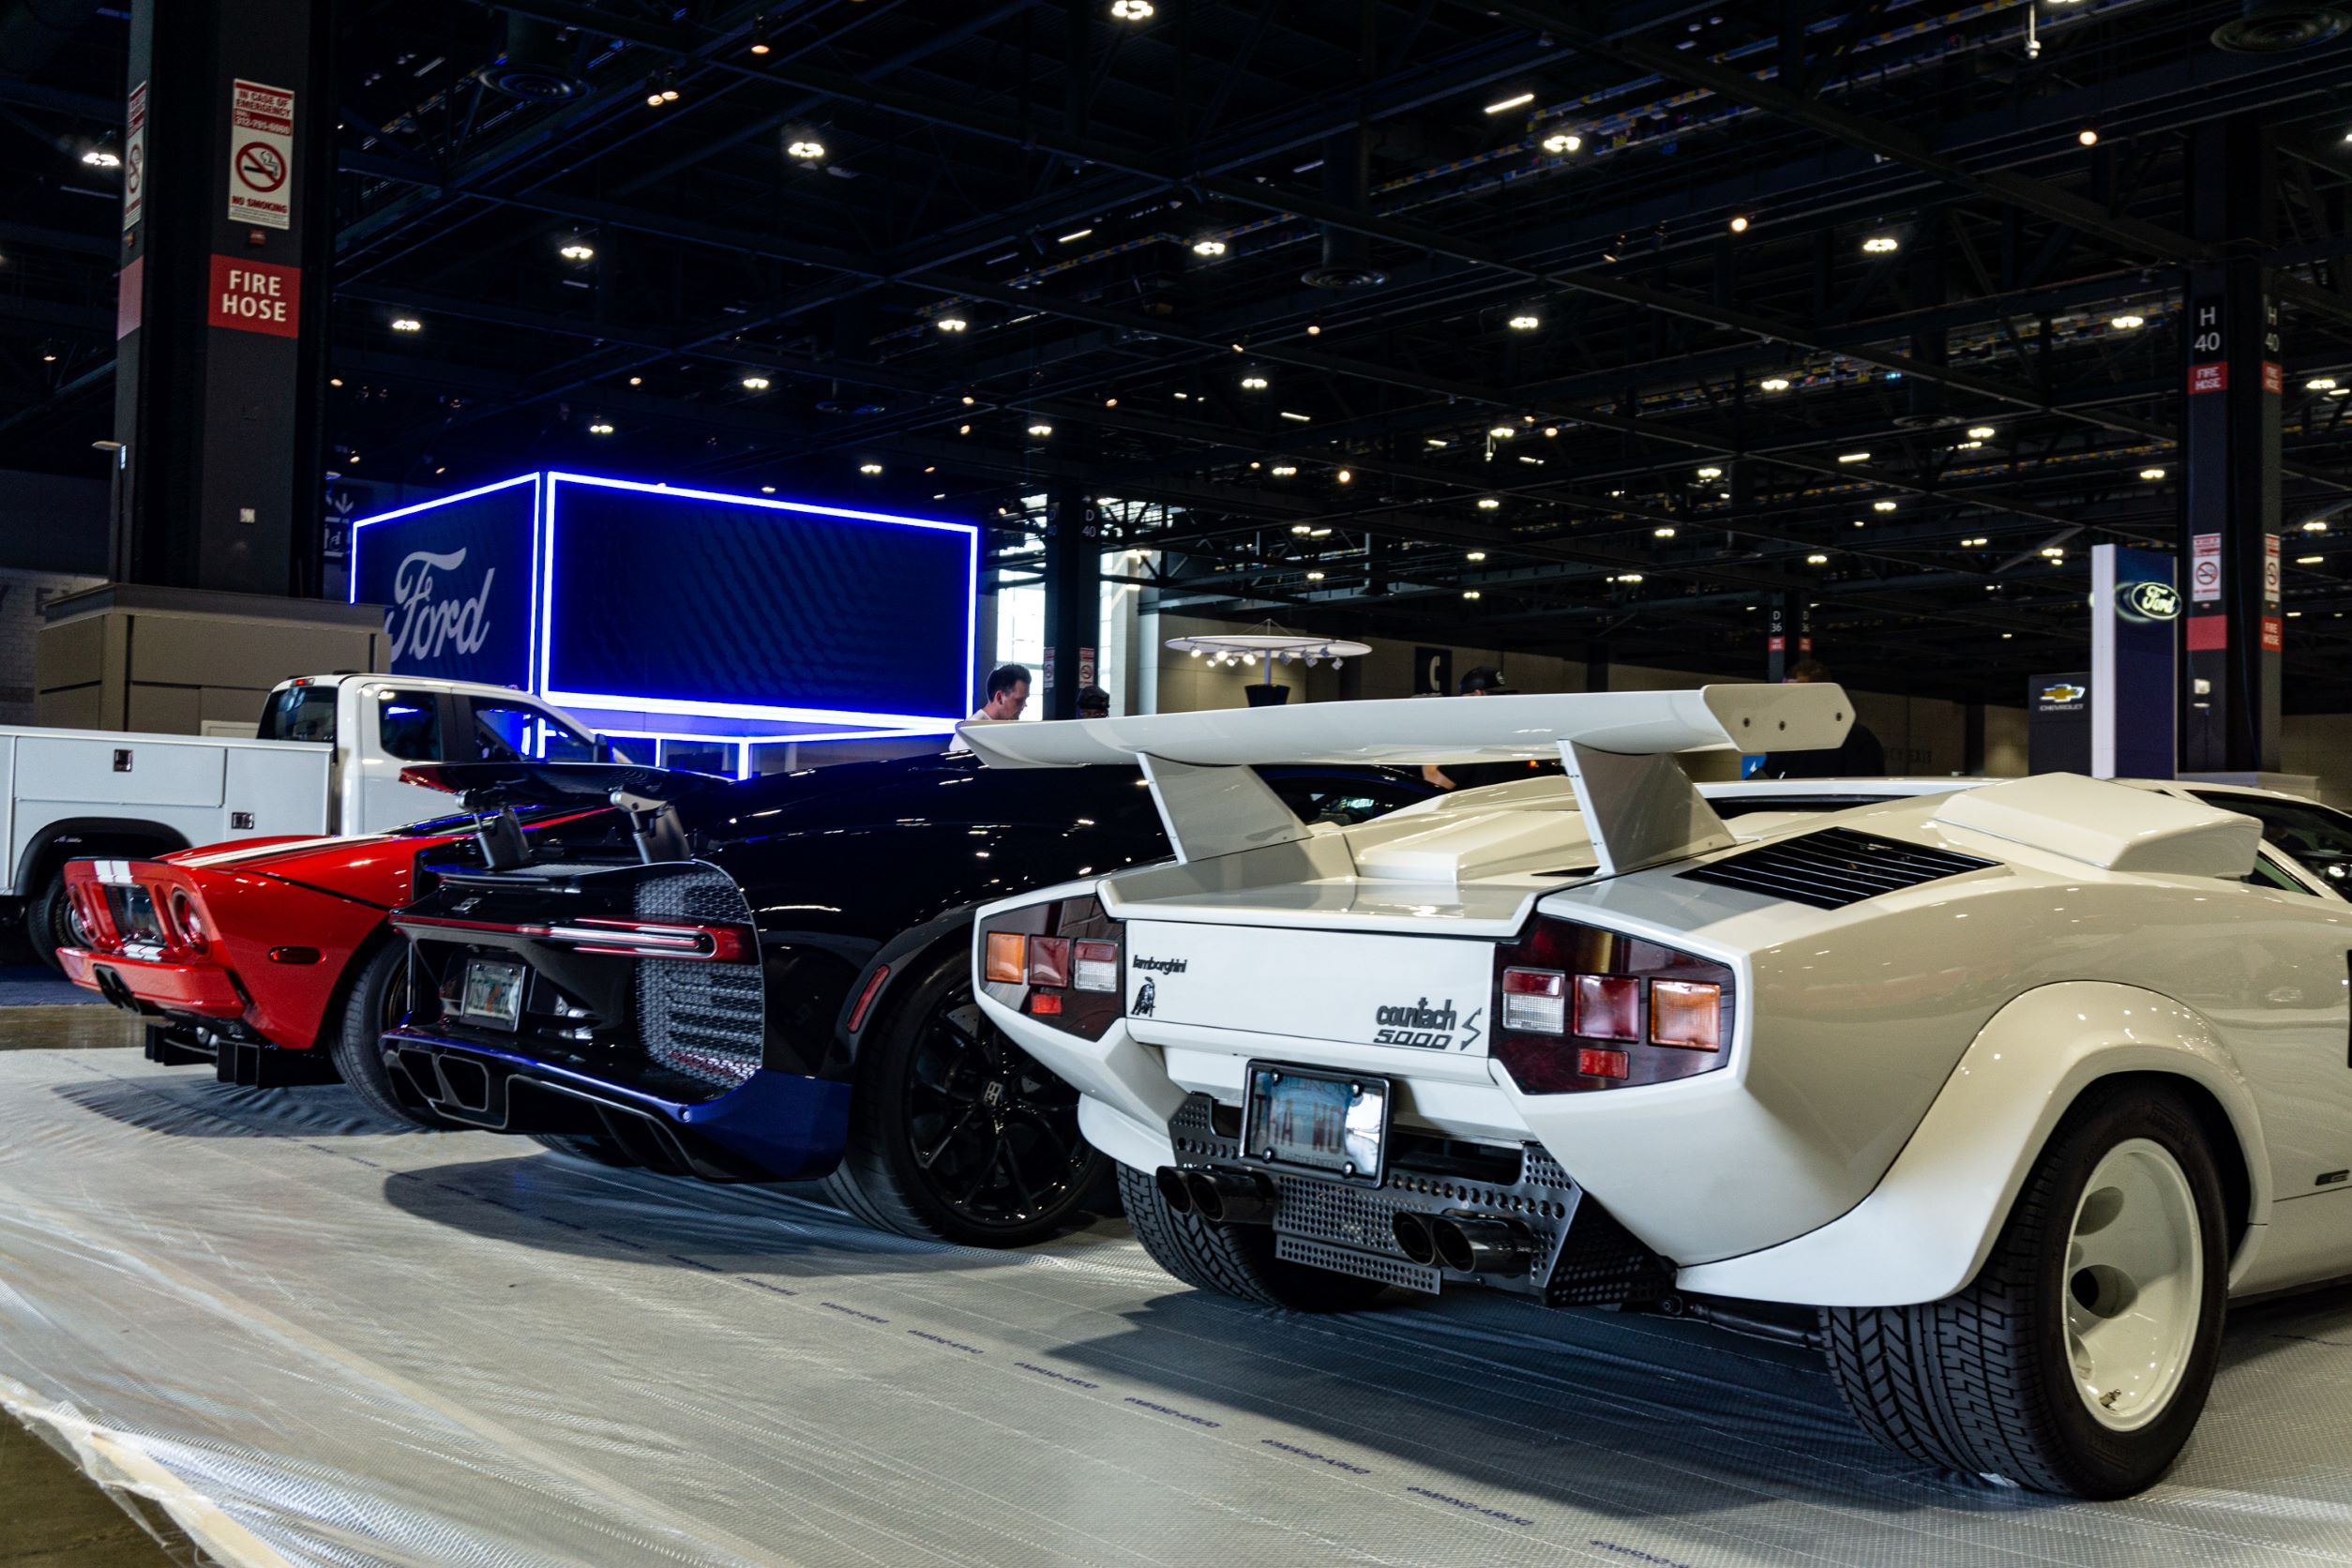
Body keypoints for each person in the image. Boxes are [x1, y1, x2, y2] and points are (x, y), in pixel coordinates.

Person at [1423, 667, 1561, 792]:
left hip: (1475, 815)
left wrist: (1424, 740)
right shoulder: (1516, 730)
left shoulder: (1476, 736)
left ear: (1478, 694)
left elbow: (1435, 782)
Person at [1751, 658, 1886, 778]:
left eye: (1797, 695)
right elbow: (1768, 778)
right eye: (1785, 694)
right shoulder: (1787, 739)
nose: (1789, 702)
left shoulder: (1855, 737)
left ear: (1822, 695)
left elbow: (1865, 789)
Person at [947, 663, 1031, 752]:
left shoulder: (1008, 730)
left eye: (1025, 699)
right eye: (1019, 700)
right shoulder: (968, 735)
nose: (1025, 705)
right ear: (999, 698)